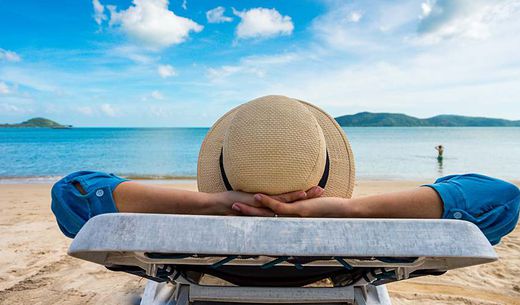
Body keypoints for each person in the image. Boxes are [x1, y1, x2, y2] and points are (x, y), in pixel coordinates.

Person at [51, 96, 520, 246]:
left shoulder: (195, 231)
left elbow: (74, 194)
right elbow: (498, 197)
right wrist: (350, 210)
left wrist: (212, 206)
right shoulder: (346, 230)